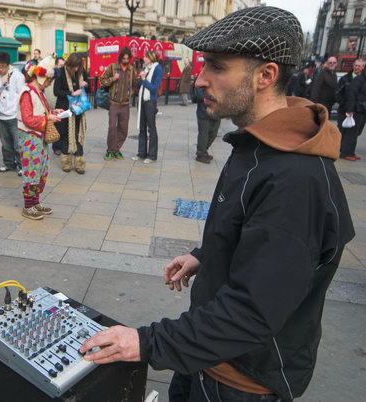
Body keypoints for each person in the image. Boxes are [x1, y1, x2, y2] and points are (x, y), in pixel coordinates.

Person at [79, 7, 354, 402]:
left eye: (217, 66)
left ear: (265, 76)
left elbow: (253, 312)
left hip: (242, 381)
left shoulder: (295, 180)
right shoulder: (259, 143)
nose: (199, 77)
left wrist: (144, 342)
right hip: (206, 359)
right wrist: (207, 254)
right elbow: (258, 238)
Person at [18, 57, 62, 220]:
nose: (49, 84)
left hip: (38, 138)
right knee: (32, 171)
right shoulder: (27, 92)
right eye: (49, 80)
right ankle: (28, 206)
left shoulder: (37, 92)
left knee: (40, 170)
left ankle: (35, 202)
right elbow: (28, 118)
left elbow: (41, 112)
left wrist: (53, 112)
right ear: (43, 77)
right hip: (30, 138)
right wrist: (48, 119)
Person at [54, 52, 89, 173]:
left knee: (79, 134)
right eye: (74, 66)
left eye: (78, 66)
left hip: (79, 109)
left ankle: (79, 164)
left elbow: (88, 88)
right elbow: (56, 91)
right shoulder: (61, 72)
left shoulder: (81, 71)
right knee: (65, 134)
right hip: (65, 108)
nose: (76, 69)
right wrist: (71, 93)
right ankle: (66, 162)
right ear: (69, 64)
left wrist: (84, 85)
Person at [0, 51, 25, 174]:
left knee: (17, 143)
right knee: (5, 143)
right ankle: (9, 163)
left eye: (2, 66)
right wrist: (1, 82)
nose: (0, 69)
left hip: (14, 115)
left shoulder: (17, 75)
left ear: (7, 65)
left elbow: (22, 95)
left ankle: (21, 166)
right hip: (1, 115)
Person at [100, 47, 136, 160]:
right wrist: (112, 79)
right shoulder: (112, 67)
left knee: (123, 129)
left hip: (125, 104)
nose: (125, 60)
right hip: (114, 103)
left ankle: (115, 149)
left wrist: (130, 93)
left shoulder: (131, 69)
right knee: (112, 127)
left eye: (127, 58)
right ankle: (110, 150)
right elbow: (102, 80)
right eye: (124, 58)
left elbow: (134, 84)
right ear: (120, 57)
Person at [132, 50, 163, 164]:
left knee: (151, 128)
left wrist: (144, 79)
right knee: (142, 127)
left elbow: (154, 88)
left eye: (145, 57)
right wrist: (139, 79)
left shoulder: (158, 68)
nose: (143, 58)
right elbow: (138, 85)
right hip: (142, 100)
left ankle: (152, 155)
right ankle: (141, 153)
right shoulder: (146, 68)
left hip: (150, 101)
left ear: (151, 57)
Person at [342, 60, 366, 161]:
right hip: (356, 110)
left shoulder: (363, 79)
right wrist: (350, 109)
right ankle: (346, 153)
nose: (357, 67)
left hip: (362, 110)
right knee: (352, 132)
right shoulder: (359, 79)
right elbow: (351, 95)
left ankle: (351, 152)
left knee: (356, 133)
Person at [194, 85, 221, 164]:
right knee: (204, 134)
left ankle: (204, 151)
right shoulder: (202, 79)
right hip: (203, 112)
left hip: (216, 112)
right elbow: (199, 95)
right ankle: (200, 153)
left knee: (213, 133)